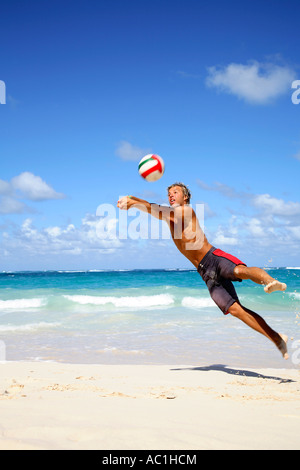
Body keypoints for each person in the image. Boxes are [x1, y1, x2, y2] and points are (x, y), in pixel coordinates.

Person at [117, 182, 289, 360]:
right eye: (169, 193)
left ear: (185, 197)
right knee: (235, 310)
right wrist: (131, 199)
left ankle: (271, 282)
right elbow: (155, 209)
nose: (171, 195)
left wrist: (134, 203)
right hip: (204, 272)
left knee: (239, 271)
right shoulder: (169, 216)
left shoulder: (186, 211)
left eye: (175, 192)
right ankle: (276, 338)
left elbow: (158, 211)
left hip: (213, 257)